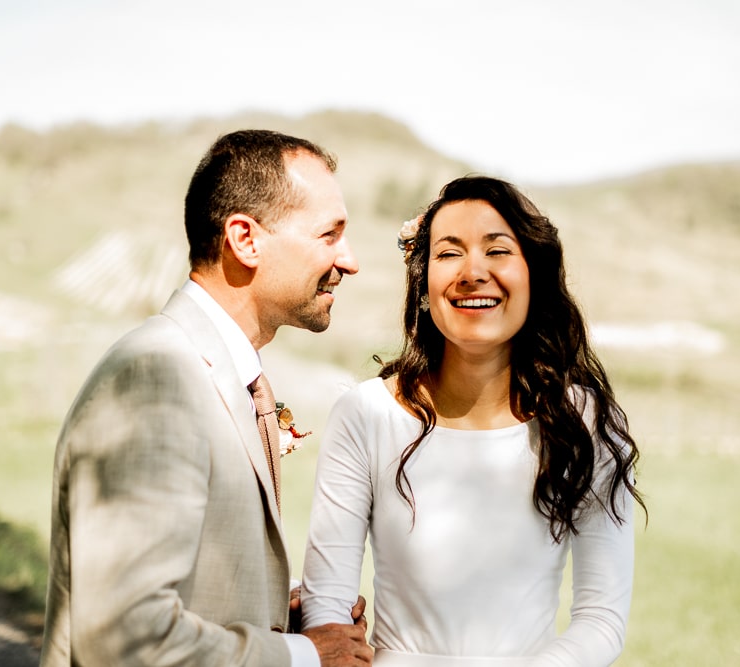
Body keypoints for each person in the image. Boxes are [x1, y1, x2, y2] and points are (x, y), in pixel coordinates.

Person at [40, 129, 373, 666]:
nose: (351, 261)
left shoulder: (213, 372)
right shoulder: (156, 378)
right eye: (329, 235)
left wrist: (274, 611)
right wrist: (303, 657)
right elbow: (126, 638)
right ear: (245, 239)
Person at [300, 176, 645, 666]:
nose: (473, 271)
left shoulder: (585, 425)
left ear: (533, 276)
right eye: (448, 253)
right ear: (423, 284)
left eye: (497, 250)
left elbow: (602, 618)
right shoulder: (365, 415)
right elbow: (327, 611)